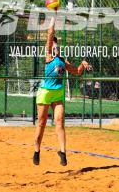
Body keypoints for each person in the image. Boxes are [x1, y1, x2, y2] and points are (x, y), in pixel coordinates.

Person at [32, 19, 91, 166]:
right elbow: (50, 33)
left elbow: (76, 72)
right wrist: (54, 14)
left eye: (56, 44)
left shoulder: (62, 61)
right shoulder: (49, 57)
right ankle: (37, 150)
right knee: (41, 123)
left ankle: (63, 152)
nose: (55, 46)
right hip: (45, 92)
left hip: (58, 93)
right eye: (53, 44)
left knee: (59, 122)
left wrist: (83, 65)